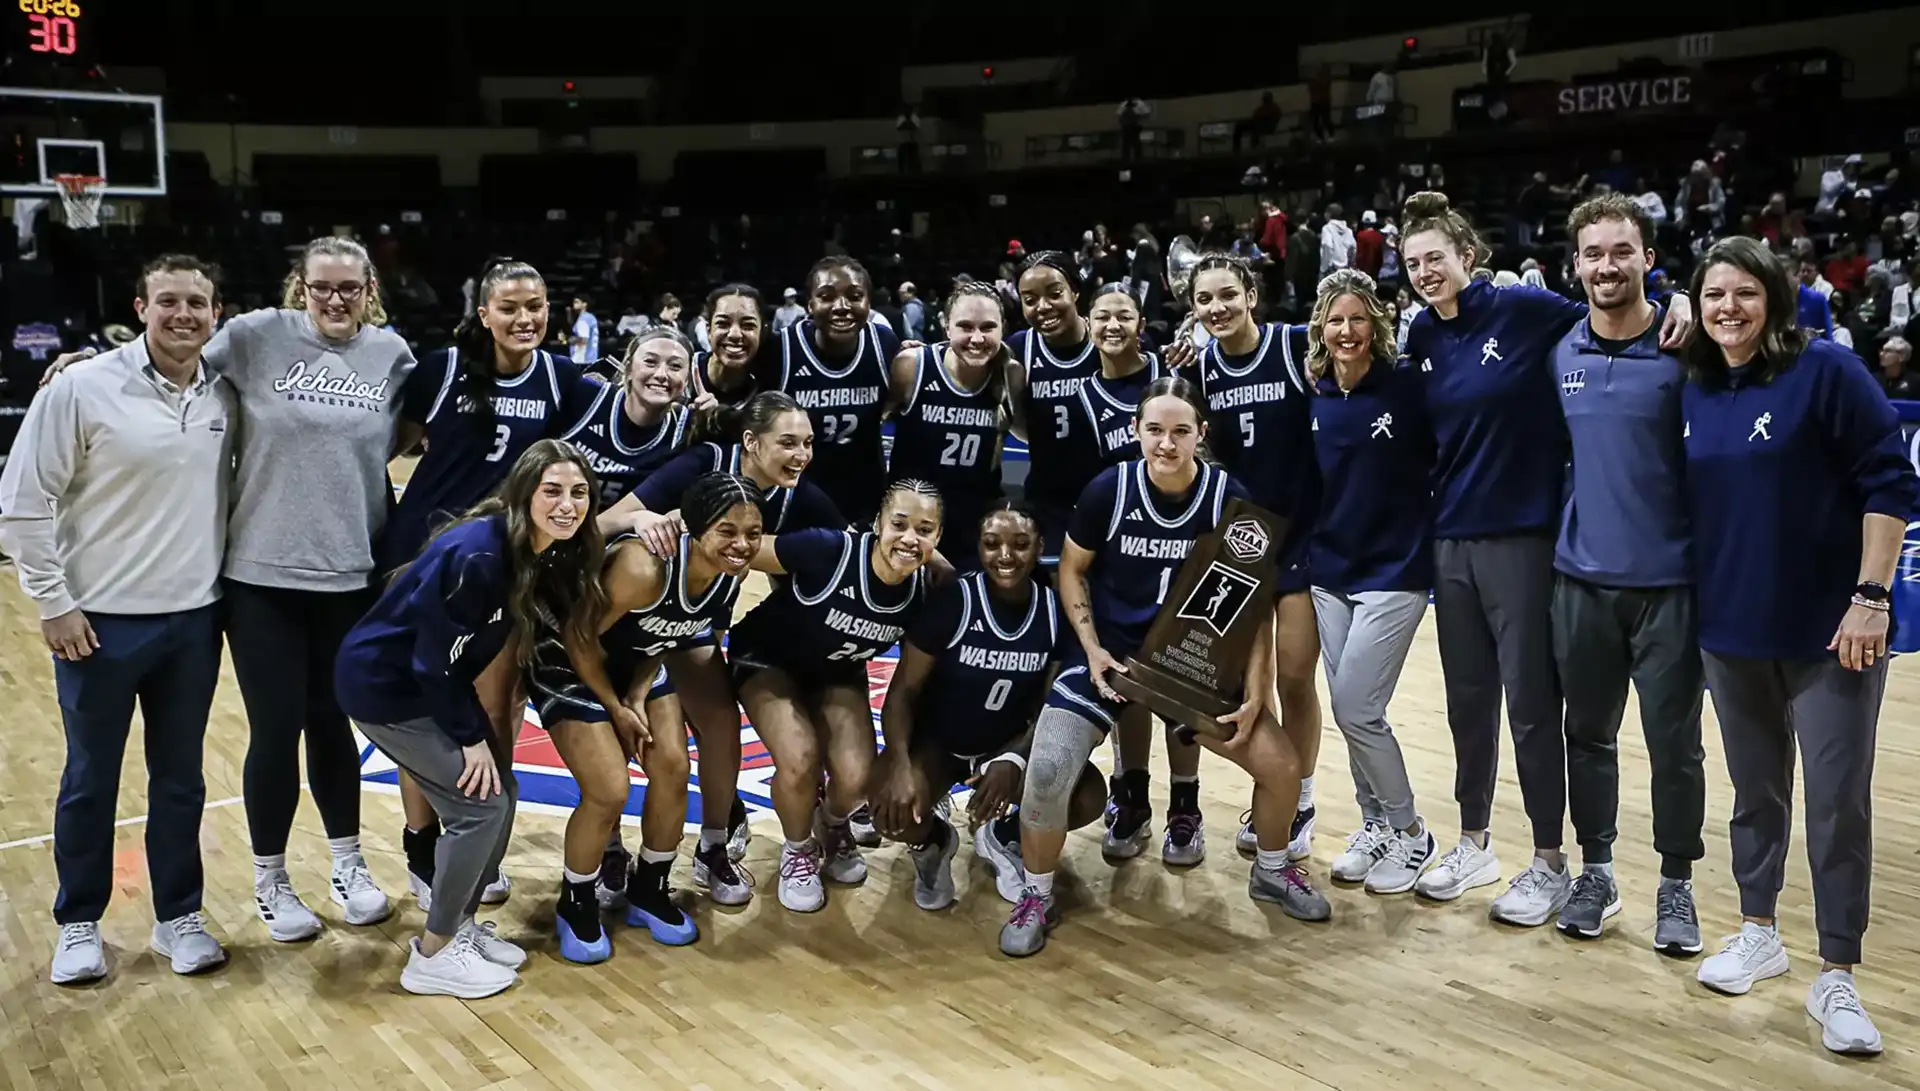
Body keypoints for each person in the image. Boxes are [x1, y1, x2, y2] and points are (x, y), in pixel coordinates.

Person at [38, 236, 421, 944]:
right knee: (276, 729)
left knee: (337, 725)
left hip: (350, 577)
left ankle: (349, 863)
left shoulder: (392, 355)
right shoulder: (253, 337)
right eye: (321, 286)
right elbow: (167, 363)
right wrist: (87, 367)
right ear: (298, 286)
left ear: (370, 288)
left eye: (349, 287)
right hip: (258, 579)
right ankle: (272, 879)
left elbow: (401, 437)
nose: (335, 299)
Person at [1396, 191, 1691, 921]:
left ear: (1469, 255)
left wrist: (1678, 294)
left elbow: (1613, 311)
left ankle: (1552, 858)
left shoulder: (1529, 311)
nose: (1426, 272)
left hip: (1525, 538)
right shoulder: (1422, 335)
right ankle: (1474, 839)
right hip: (1450, 539)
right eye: (1412, 265)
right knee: (1468, 701)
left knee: (1533, 706)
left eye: (1437, 257)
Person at [1679, 236, 1914, 1056]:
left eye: (1744, 293)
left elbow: (1889, 480)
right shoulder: (1697, 385)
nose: (1728, 310)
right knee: (1755, 794)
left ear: (1775, 298)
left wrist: (1872, 597)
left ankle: (1838, 972)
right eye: (1713, 296)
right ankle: (1758, 930)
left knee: (1838, 801)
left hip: (1832, 634)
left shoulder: (1829, 372)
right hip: (1731, 631)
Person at [1002, 377, 1330, 958]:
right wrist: (1092, 645)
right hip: (1111, 660)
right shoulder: (1109, 490)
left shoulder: (1229, 496)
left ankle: (1273, 870)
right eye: (1155, 430)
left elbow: (1253, 603)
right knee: (1048, 772)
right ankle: (1035, 893)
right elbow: (1072, 571)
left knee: (1282, 770)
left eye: (1181, 431)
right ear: (1137, 431)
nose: (1167, 443)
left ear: (1201, 435)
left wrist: (1256, 691)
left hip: (1190, 666)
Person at [3, 255, 235, 984]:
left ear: (216, 315)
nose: (183, 315)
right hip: (96, 624)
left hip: (194, 622)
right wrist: (53, 602)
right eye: (168, 301)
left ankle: (178, 917)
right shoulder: (80, 385)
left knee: (180, 780)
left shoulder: (226, 392)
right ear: (140, 307)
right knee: (89, 779)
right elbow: (22, 500)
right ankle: (78, 922)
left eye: (197, 303)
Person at [337, 440, 606, 998]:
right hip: (386, 689)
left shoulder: (532, 548)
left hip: (423, 685)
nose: (567, 504)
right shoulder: (481, 557)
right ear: (522, 494)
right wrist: (469, 736)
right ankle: (433, 953)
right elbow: (429, 661)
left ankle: (461, 926)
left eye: (579, 493)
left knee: (500, 793)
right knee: (477, 807)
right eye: (551, 491)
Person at [380, 257, 604, 910]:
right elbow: (386, 447)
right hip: (422, 564)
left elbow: (629, 429)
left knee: (499, 708)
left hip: (506, 572)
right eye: (509, 306)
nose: (524, 318)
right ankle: (423, 843)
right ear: (483, 313)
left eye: (535, 305)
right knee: (425, 710)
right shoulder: (440, 369)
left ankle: (480, 837)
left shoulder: (565, 383)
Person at [1548, 195, 1706, 948]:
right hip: (1579, 580)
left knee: (1676, 743)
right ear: (1575, 264)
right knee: (1589, 734)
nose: (1606, 266)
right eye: (1593, 254)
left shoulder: (1686, 349)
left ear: (1648, 258)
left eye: (1621, 251)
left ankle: (1677, 886)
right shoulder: (1561, 350)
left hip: (1670, 583)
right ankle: (1598, 871)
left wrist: (1689, 304)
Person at [529, 473, 763, 959]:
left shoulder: (730, 573)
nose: (741, 545)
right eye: (727, 531)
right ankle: (576, 902)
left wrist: (637, 693)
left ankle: (649, 890)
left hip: (635, 662)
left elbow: (673, 632)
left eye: (752, 534)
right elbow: (578, 637)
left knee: (674, 766)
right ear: (696, 529)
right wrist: (615, 707)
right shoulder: (643, 567)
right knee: (609, 788)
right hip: (568, 658)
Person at [872, 502, 1108, 911]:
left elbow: (1054, 705)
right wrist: (900, 764)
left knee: (1087, 795)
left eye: (1019, 544)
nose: (1005, 556)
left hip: (1006, 745)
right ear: (978, 547)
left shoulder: (1054, 611)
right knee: (885, 807)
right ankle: (934, 843)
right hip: (942, 745)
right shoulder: (954, 602)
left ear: (1039, 547)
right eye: (991, 544)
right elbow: (902, 694)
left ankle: (1006, 835)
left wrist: (1015, 758)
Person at [1170, 255, 1324, 874]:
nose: (1217, 308)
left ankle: (1302, 799)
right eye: (1205, 300)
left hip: (1305, 535)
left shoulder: (1293, 347)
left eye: (1227, 295)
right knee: (1231, 679)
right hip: (1240, 542)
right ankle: (1255, 791)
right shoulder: (1202, 366)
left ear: (1252, 294)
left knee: (1292, 676)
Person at [728, 480, 943, 912]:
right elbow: (741, 549)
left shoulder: (930, 592)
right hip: (768, 660)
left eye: (924, 529)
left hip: (835, 672)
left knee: (858, 778)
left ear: (938, 538)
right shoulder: (829, 550)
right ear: (877, 524)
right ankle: (797, 850)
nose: (909, 538)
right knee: (800, 758)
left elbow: (910, 686)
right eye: (899, 524)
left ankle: (831, 823)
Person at [1303, 270, 1437, 894]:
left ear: (1375, 324)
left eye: (1358, 318)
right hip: (1330, 569)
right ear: (1320, 328)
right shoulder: (1313, 392)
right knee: (1352, 709)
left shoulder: (1408, 384)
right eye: (1335, 319)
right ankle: (1374, 822)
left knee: (1357, 706)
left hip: (1395, 568)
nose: (1346, 330)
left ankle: (1411, 832)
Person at [886, 281, 1013, 566]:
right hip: (911, 526)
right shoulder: (913, 366)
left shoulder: (1009, 374)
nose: (977, 338)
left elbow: (1028, 435)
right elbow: (870, 423)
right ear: (946, 327)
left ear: (1003, 328)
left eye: (988, 327)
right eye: (965, 327)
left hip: (974, 525)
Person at [773, 256, 902, 526]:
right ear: (810, 305)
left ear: (868, 303)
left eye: (855, 296)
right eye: (826, 296)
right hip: (796, 498)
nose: (842, 307)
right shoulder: (781, 349)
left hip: (866, 499)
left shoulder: (884, 344)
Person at [1004, 251, 1098, 568]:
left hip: (1109, 497)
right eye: (1029, 299)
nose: (1042, 307)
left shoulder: (1107, 339)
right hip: (1047, 500)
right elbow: (1019, 427)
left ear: (1075, 291)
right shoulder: (1017, 348)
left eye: (1055, 294)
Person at [1072, 285, 1163, 471]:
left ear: (1141, 326)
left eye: (1125, 318)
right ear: (1088, 325)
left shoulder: (1171, 369)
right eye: (1102, 317)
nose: (1113, 326)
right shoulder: (1085, 399)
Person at [689, 284, 765, 419]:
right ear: (708, 331)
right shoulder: (681, 375)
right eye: (723, 324)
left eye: (748, 325)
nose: (734, 335)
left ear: (761, 333)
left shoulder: (764, 396)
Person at [569, 293, 599, 364]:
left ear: (584, 304)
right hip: (592, 357)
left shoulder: (583, 319)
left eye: (577, 302)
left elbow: (584, 340)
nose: (574, 304)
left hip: (582, 359)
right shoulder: (591, 317)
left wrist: (570, 340)